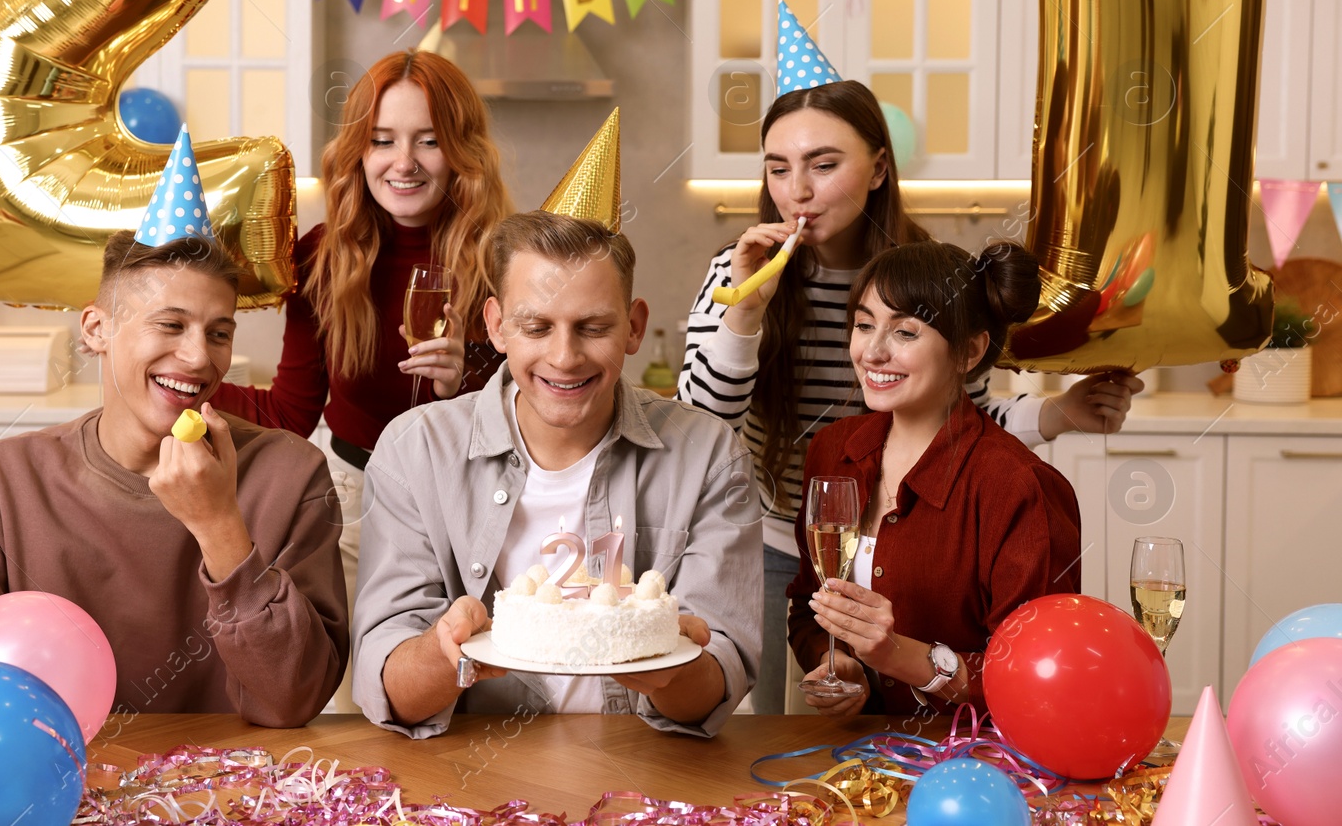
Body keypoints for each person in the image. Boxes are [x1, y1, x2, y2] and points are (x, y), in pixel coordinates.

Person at [678, 78, 1140, 714]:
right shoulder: (737, 273)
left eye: (824, 164)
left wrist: (1059, 413)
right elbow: (702, 426)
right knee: (781, 719)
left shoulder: (923, 271)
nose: (798, 191)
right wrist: (746, 312)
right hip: (776, 537)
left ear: (879, 169)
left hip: (903, 536)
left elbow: (956, 415)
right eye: (779, 169)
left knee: (908, 695)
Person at [0, 228, 349, 727]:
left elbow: (293, 699)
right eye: (170, 325)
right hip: (55, 786)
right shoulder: (3, 480)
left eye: (219, 333)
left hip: (232, 788)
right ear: (96, 329)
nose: (199, 357)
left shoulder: (291, 475)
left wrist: (219, 525)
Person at [351, 210, 762, 737]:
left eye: (593, 328)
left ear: (634, 327)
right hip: (467, 777)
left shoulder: (708, 456)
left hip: (648, 775)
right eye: (536, 326)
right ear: (496, 325)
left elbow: (715, 692)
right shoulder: (416, 450)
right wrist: (446, 649)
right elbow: (391, 690)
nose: (564, 358)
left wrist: (667, 657)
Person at [212, 49, 513, 709]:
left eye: (428, 141)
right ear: (357, 151)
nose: (402, 163)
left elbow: (543, 409)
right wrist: (186, 381)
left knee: (480, 708)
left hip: (477, 507)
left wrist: (465, 385)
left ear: (460, 149)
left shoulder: (505, 256)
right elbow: (291, 411)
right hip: (355, 509)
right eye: (382, 141)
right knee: (355, 710)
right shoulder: (321, 256)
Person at [787, 239, 1082, 716]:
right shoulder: (832, 451)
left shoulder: (1020, 486)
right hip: (851, 756)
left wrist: (898, 655)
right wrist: (840, 662)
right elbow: (807, 605)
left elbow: (1038, 675)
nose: (873, 352)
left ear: (968, 351)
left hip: (973, 763)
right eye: (864, 325)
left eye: (905, 332)